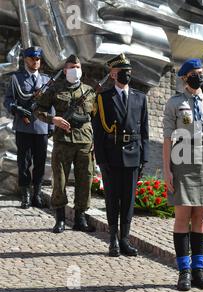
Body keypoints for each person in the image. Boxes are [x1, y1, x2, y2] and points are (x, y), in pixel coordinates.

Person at [163, 58, 203, 291]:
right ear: (185, 77)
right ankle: (184, 272)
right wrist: (167, 169)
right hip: (182, 160)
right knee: (182, 217)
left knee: (200, 218)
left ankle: (199, 271)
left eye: (201, 72)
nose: (199, 76)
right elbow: (168, 138)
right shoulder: (175, 103)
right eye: (194, 73)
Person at [92, 53, 149, 257]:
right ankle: (113, 239)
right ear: (113, 74)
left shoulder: (140, 97)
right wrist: (101, 160)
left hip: (133, 155)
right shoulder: (103, 98)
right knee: (112, 200)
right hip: (112, 155)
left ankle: (125, 238)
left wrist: (145, 158)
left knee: (128, 200)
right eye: (123, 72)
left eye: (129, 72)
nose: (127, 75)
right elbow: (98, 133)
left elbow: (144, 132)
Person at [34, 54, 96, 233]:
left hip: (84, 141)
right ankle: (60, 218)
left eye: (77, 67)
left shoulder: (90, 91)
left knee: (85, 180)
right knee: (59, 180)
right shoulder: (55, 88)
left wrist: (96, 141)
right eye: (71, 67)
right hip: (63, 141)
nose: (74, 70)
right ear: (65, 70)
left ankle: (80, 218)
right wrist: (54, 119)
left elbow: (96, 118)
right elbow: (38, 109)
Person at [3, 46, 53, 209]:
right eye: (32, 58)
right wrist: (14, 108)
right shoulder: (17, 79)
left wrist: (51, 124)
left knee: (40, 162)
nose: (36, 61)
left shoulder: (46, 80)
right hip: (23, 127)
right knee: (24, 163)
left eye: (38, 59)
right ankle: (25, 195)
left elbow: (51, 103)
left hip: (41, 127)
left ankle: (37, 194)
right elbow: (8, 99)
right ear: (25, 59)